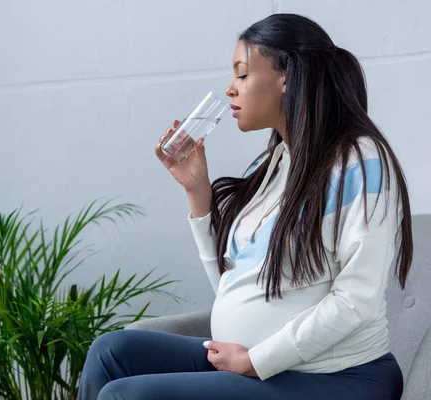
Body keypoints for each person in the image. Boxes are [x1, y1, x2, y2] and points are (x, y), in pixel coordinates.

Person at [76, 13, 412, 400]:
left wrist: (256, 360)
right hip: (264, 366)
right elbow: (236, 286)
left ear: (286, 76)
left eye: (241, 74)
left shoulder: (360, 160)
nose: (230, 90)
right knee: (110, 353)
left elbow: (358, 301)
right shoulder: (272, 165)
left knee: (129, 395)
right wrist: (197, 194)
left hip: (337, 376)